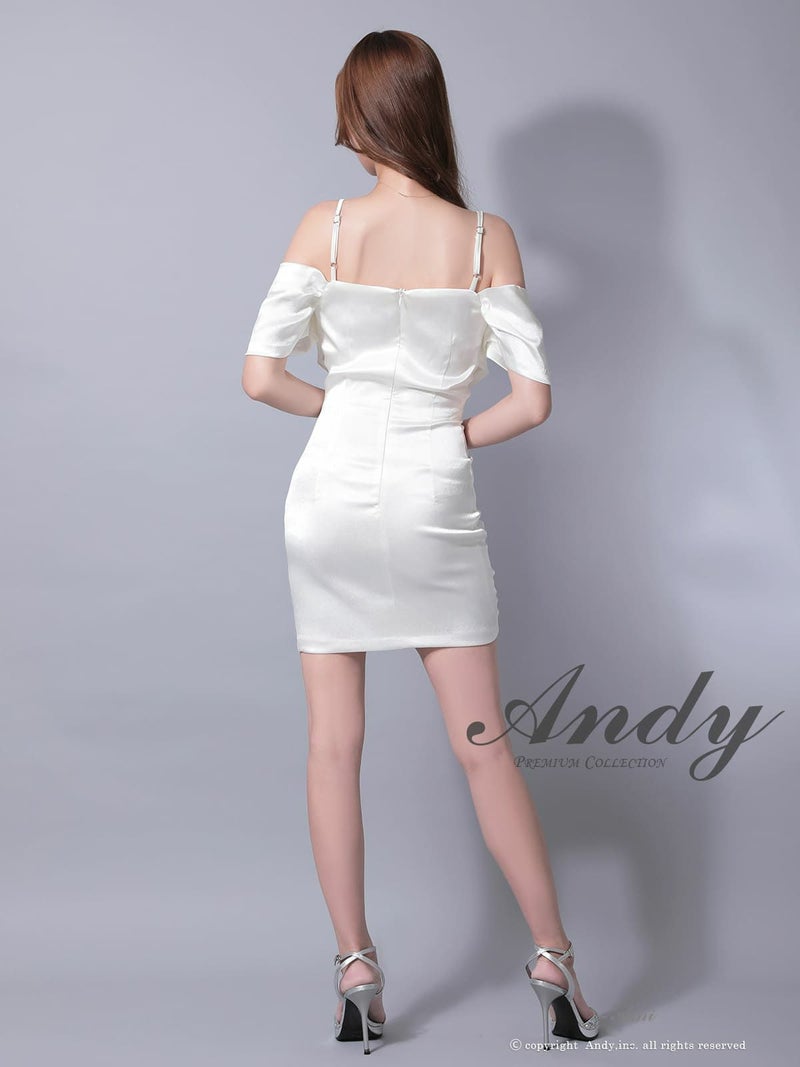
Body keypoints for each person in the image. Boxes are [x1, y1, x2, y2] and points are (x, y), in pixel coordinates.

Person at [241, 28, 599, 1055]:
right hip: (434, 496)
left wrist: (348, 416)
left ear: (359, 116)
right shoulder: (486, 239)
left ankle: (356, 969)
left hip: (331, 498)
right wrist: (441, 434)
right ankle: (553, 960)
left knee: (331, 745)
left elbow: (261, 377)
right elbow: (529, 401)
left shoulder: (326, 225)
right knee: (484, 748)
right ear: (429, 110)